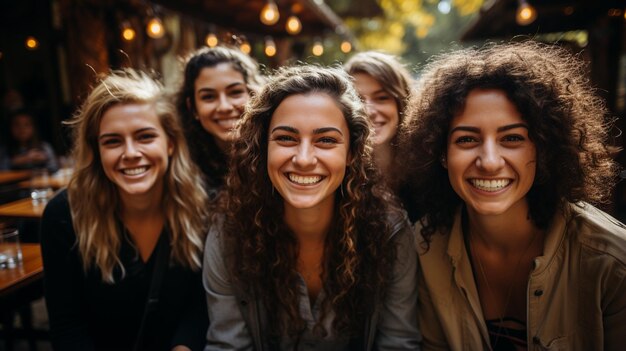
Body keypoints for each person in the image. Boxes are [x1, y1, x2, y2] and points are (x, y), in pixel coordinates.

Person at [399, 41, 626, 350]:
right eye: (466, 139)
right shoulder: (425, 247)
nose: (489, 161)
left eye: (512, 138)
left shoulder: (613, 262)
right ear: (441, 154)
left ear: (543, 147)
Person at [203, 65, 421, 350]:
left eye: (326, 140)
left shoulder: (390, 232)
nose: (304, 158)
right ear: (263, 147)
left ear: (352, 153)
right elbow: (228, 346)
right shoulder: (229, 234)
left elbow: (398, 344)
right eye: (286, 138)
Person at [40, 69, 209, 350]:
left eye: (145, 137)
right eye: (113, 141)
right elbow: (67, 326)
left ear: (170, 143)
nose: (130, 153)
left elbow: (199, 307)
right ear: (96, 150)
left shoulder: (200, 204)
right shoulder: (64, 215)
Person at [176, 45, 264, 195]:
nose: (224, 107)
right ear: (193, 108)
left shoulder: (274, 151)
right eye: (208, 97)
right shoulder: (182, 168)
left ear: (253, 94)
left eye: (235, 92)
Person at [344, 51, 417, 220]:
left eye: (382, 98)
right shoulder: (339, 178)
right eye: (357, 99)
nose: (369, 111)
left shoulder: (426, 172)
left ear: (402, 103)